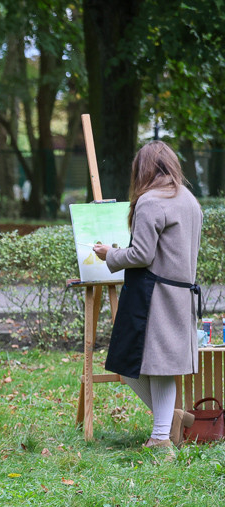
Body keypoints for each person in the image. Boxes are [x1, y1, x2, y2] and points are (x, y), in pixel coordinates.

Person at [94, 140, 202, 451]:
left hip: (154, 295)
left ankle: (160, 440)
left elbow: (141, 254)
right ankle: (170, 421)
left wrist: (109, 254)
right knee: (139, 365)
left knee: (154, 366)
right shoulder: (189, 200)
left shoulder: (152, 201)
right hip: (179, 296)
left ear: (143, 169)